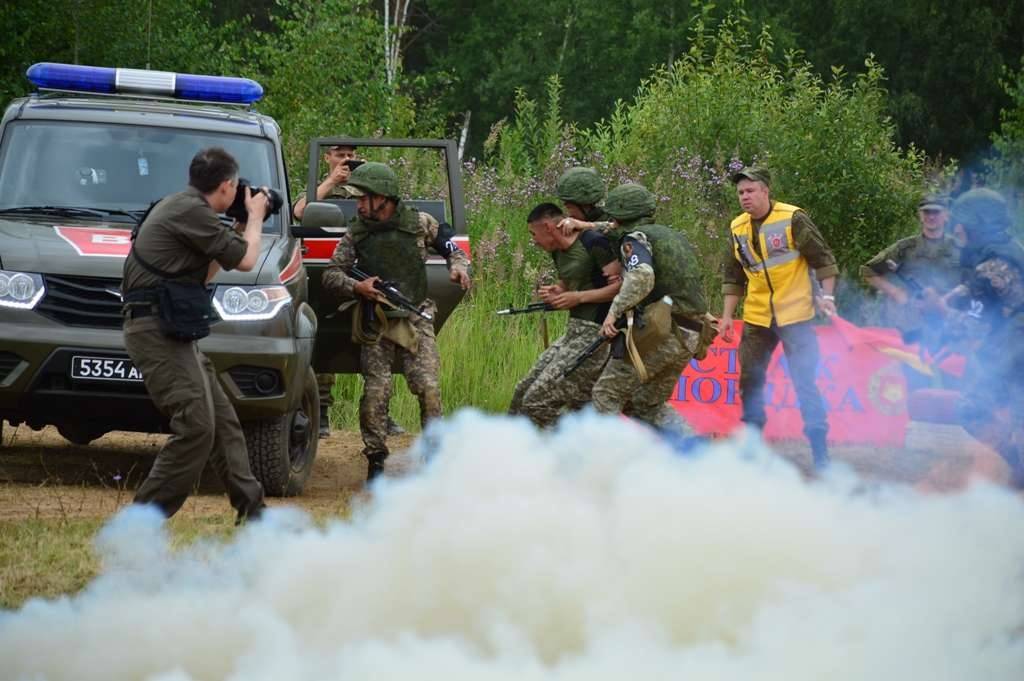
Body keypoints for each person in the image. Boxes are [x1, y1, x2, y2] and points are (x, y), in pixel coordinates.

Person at [121, 147, 268, 522]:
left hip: (171, 329)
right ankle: (141, 524)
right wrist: (255, 218)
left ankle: (254, 514)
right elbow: (249, 260)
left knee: (221, 421)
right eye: (236, 189)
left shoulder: (184, 208)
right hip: (157, 332)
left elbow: (204, 275)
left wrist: (234, 231)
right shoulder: (191, 211)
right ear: (226, 185)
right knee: (197, 427)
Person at [321, 162, 470, 480]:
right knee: (377, 391)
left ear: (383, 198)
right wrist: (357, 287)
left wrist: (459, 267)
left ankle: (433, 456)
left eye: (363, 198)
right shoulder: (357, 231)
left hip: (416, 316)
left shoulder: (418, 223)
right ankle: (376, 459)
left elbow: (452, 247)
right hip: (377, 320)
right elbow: (331, 275)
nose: (358, 204)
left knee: (428, 387)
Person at [719, 167, 838, 470]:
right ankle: (753, 447)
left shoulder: (792, 218)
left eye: (750, 191)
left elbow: (823, 260)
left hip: (796, 315)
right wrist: (727, 317)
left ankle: (820, 453)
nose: (744, 197)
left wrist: (827, 297)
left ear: (766, 191)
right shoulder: (737, 226)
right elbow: (733, 275)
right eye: (741, 192)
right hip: (758, 317)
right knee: (750, 380)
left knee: (805, 382)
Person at [292, 143, 404, 439]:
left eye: (351, 156)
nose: (346, 160)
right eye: (340, 155)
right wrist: (331, 182)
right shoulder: (320, 189)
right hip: (328, 274)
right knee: (323, 341)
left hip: (370, 273)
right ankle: (322, 414)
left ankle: (381, 413)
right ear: (327, 157)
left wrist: (364, 178)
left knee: (381, 339)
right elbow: (300, 211)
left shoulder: (367, 192)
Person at [585, 183, 711, 434]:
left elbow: (642, 275)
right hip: (692, 333)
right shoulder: (669, 236)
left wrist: (615, 311)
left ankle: (605, 465)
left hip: (663, 332)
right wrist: (584, 226)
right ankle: (697, 451)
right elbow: (611, 230)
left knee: (605, 395)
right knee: (647, 405)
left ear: (619, 215)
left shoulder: (634, 239)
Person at [922, 188, 1024, 489]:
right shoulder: (1003, 254)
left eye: (964, 223)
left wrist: (939, 310)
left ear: (979, 225)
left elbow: (971, 328)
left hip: (1013, 355)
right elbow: (971, 292)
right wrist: (946, 300)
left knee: (974, 409)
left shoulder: (996, 266)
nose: (957, 230)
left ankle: (1017, 470)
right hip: (1010, 354)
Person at [507, 203, 621, 427]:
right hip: (574, 331)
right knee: (522, 392)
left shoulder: (593, 242)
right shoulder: (557, 252)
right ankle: (507, 447)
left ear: (549, 227)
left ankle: (579, 447)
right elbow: (568, 284)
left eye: (534, 234)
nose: (534, 241)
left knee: (536, 403)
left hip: (597, 333)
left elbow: (620, 288)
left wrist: (577, 297)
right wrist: (557, 292)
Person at [861, 193, 961, 389]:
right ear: (920, 215)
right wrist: (895, 292)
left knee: (954, 382)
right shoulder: (905, 248)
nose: (931, 217)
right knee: (916, 382)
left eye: (936, 212)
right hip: (915, 323)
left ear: (946, 215)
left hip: (949, 322)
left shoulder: (959, 248)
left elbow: (974, 280)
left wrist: (952, 298)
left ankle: (955, 418)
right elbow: (867, 271)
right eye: (926, 212)